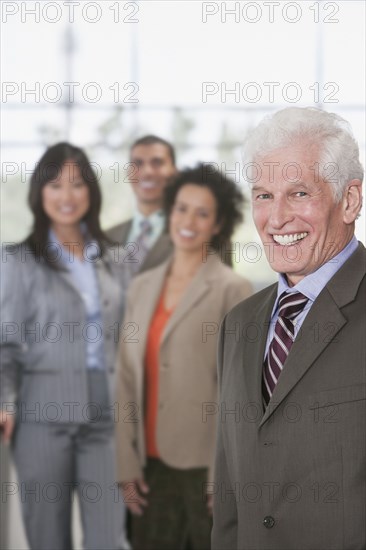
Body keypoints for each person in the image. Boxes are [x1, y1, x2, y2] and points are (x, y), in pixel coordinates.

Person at [211, 107, 365, 549]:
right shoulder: (238, 324)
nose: (276, 219)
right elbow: (229, 493)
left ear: (350, 200)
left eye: (298, 193)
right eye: (263, 195)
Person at [116, 164, 253, 550]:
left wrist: (222, 475)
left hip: (204, 472)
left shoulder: (234, 290)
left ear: (218, 223)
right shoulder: (141, 288)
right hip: (148, 471)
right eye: (181, 208)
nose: (188, 220)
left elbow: (239, 393)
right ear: (168, 212)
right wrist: (125, 465)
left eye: (202, 212)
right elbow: (126, 379)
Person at [0, 143, 129, 550]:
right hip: (42, 416)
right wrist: (4, 400)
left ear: (91, 191)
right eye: (55, 185)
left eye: (76, 184)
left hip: (107, 419)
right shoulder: (18, 262)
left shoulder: (115, 259)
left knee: (109, 538)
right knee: (47, 538)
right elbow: (5, 342)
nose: (67, 196)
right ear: (40, 193)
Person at [107, 135, 176, 280]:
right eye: (138, 163)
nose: (147, 172)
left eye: (157, 163)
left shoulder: (197, 236)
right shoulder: (106, 239)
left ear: (174, 171)